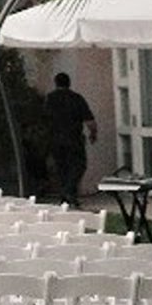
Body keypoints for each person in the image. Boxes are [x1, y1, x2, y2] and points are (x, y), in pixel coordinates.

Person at [43, 72, 98, 209]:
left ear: (56, 83)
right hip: (73, 138)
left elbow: (43, 118)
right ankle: (69, 192)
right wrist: (93, 134)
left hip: (55, 139)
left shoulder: (50, 99)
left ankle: (66, 197)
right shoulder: (76, 98)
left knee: (62, 168)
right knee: (79, 166)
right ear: (69, 83)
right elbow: (90, 121)